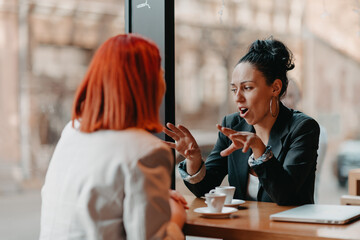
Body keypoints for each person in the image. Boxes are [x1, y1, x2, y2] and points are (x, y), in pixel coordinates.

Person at [39, 34, 187, 240]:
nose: (164, 81)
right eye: (160, 73)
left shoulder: (72, 131)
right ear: (146, 85)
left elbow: (92, 201)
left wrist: (153, 199)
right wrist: (174, 219)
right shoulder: (146, 151)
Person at [164, 37, 320, 206]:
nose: (237, 97)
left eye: (247, 88)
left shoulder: (303, 128)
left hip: (287, 230)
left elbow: (285, 196)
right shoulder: (232, 125)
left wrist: (259, 149)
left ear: (275, 87)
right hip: (242, 230)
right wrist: (194, 160)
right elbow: (205, 188)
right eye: (234, 89)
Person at [283, 79, 328, 202]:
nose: (285, 102)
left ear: (299, 97)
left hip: (303, 202)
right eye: (282, 96)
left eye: (290, 96)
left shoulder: (316, 132)